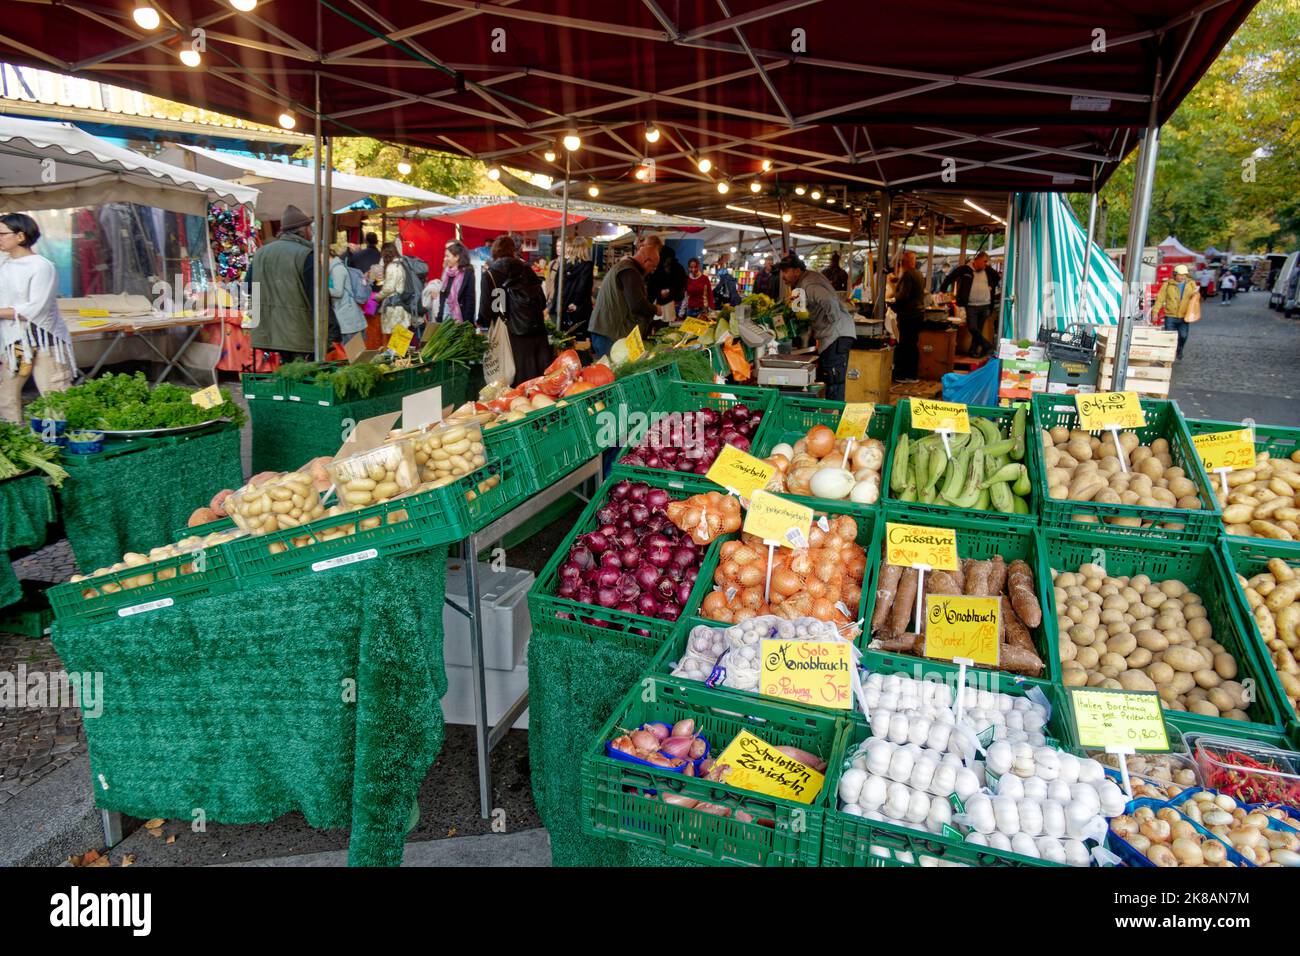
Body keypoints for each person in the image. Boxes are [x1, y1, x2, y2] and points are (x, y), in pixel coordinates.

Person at [0, 213, 74, 423]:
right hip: (14, 341)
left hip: (45, 340)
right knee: (6, 396)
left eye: (2, 234)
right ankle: (14, 440)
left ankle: (66, 441)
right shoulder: (4, 265)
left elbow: (35, 309)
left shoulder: (42, 266)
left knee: (55, 394)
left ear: (20, 236)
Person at [248, 204, 335, 360]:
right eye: (310, 229)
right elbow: (318, 299)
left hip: (270, 330)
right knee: (305, 379)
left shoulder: (261, 253)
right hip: (300, 332)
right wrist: (331, 330)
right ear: (303, 230)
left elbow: (248, 287)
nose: (311, 233)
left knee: (288, 375)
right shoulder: (307, 255)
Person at [777, 253, 857, 402]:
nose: (783, 276)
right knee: (829, 379)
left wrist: (831, 322)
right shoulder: (802, 284)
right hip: (831, 336)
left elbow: (828, 300)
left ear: (797, 271)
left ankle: (835, 420)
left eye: (786, 271)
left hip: (837, 335)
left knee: (835, 382)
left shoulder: (809, 284)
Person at [478, 235, 551, 386]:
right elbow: (542, 302)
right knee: (536, 385)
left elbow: (487, 311)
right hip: (536, 333)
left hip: (510, 335)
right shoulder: (527, 269)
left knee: (514, 387)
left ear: (494, 253)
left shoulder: (490, 275)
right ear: (513, 251)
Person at [588, 235, 662, 359]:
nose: (652, 271)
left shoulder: (628, 268)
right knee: (612, 373)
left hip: (607, 330)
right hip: (609, 332)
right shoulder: (629, 271)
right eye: (653, 267)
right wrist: (656, 309)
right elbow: (637, 304)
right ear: (646, 261)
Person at [940, 250, 1001, 357]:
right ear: (977, 260)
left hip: (985, 304)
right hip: (971, 305)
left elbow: (997, 277)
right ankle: (987, 346)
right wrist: (942, 290)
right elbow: (950, 277)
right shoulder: (965, 269)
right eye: (984, 261)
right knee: (972, 328)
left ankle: (973, 351)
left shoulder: (987, 270)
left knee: (978, 330)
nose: (986, 264)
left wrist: (991, 286)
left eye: (987, 262)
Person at [892, 251, 928, 383]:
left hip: (909, 315)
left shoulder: (907, 274)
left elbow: (903, 295)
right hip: (918, 314)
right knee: (912, 345)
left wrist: (892, 297)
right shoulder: (918, 273)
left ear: (904, 263)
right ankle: (912, 374)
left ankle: (903, 374)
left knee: (905, 345)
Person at [1154, 263, 1200, 360]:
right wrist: (1155, 312)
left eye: (1184, 275)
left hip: (1184, 316)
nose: (1183, 277)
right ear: (1175, 274)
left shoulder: (1191, 284)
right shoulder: (1167, 285)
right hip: (1170, 315)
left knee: (1183, 336)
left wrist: (1195, 295)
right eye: (1181, 275)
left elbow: (1195, 299)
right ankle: (1168, 354)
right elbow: (1160, 299)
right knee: (1168, 337)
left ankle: (1179, 349)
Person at [328, 243, 367, 345]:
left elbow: (338, 292)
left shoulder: (337, 269)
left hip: (349, 319)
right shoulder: (333, 268)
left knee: (354, 355)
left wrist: (322, 289)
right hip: (347, 318)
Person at [378, 242, 415, 335]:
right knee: (401, 337)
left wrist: (377, 297)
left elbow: (389, 288)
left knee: (396, 338)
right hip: (405, 303)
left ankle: (398, 350)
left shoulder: (393, 266)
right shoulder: (403, 263)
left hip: (394, 306)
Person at [435, 240, 476, 324]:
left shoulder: (467, 272)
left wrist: (466, 323)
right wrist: (439, 317)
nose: (444, 259)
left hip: (460, 319)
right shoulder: (447, 272)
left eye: (447, 256)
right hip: (445, 317)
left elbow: (470, 299)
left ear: (456, 257)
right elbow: (443, 297)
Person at [647, 244, 687, 321]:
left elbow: (681, 282)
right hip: (656, 301)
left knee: (667, 322)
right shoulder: (657, 267)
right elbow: (651, 284)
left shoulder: (677, 268)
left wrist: (670, 290)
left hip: (670, 302)